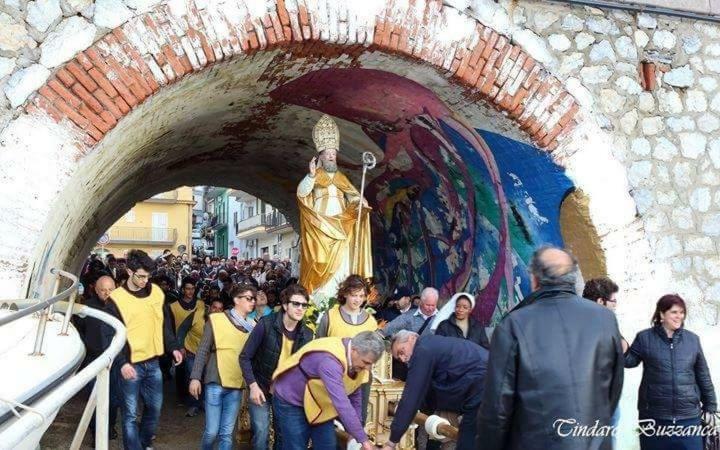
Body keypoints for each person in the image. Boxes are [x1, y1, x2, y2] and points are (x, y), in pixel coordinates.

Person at [476, 246, 624, 450]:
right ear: (572, 279)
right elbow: (613, 388)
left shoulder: (513, 324)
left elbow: (497, 408)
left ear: (534, 280)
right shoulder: (605, 318)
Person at [103, 249, 183, 450]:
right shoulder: (116, 300)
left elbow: (164, 323)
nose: (145, 280)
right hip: (130, 365)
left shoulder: (156, 292)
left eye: (148, 276)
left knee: (154, 409)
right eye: (141, 276)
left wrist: (173, 348)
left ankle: (144, 443)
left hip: (153, 363)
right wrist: (121, 363)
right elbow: (110, 335)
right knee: (130, 414)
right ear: (129, 272)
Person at [625, 294, 717, 450]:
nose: (679, 316)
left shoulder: (692, 340)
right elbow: (628, 361)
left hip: (689, 418)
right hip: (654, 418)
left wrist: (711, 406)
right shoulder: (644, 338)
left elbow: (703, 375)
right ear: (662, 314)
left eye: (682, 312)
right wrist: (619, 341)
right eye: (674, 312)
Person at [296, 114, 373, 298]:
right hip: (320, 225)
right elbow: (302, 193)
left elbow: (353, 195)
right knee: (319, 259)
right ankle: (320, 297)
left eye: (333, 154)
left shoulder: (341, 178)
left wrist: (359, 202)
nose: (331, 157)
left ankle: (340, 296)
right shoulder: (315, 176)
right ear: (320, 157)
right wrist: (311, 176)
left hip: (342, 224)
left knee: (343, 261)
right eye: (328, 154)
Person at [271, 331, 384, 450]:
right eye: (365, 362)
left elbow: (355, 397)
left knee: (327, 445)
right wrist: (364, 441)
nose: (367, 368)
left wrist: (356, 435)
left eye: (371, 364)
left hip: (319, 403)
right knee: (296, 446)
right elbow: (342, 404)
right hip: (292, 399)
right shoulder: (330, 361)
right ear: (354, 350)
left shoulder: (357, 362)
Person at [381, 331, 488, 450]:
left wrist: (392, 442)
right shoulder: (431, 345)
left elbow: (411, 397)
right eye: (398, 358)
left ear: (412, 338)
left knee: (467, 441)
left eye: (401, 351)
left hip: (482, 386)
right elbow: (429, 394)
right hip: (486, 383)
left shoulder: (422, 350)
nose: (402, 358)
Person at [240, 284, 314, 450]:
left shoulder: (307, 334)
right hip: (261, 386)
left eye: (304, 305)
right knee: (261, 433)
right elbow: (244, 357)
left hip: (287, 394)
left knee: (283, 435)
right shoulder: (266, 325)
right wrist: (253, 386)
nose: (300, 308)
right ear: (285, 305)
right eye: (296, 304)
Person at [189, 284, 256, 450]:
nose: (252, 302)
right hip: (214, 380)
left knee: (226, 434)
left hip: (236, 383)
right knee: (212, 432)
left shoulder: (254, 326)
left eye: (253, 298)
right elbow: (203, 349)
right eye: (248, 298)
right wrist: (195, 377)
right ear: (236, 300)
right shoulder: (217, 319)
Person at [316, 275, 378, 424]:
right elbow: (318, 346)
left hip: (361, 379)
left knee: (357, 421)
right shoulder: (330, 317)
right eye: (354, 295)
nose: (357, 300)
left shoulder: (370, 321)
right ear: (344, 294)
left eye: (361, 296)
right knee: (334, 422)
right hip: (335, 378)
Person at [78, 275, 121, 441]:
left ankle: (109, 426)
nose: (107, 293)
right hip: (93, 360)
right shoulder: (86, 308)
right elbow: (79, 330)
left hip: (115, 361)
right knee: (94, 398)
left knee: (114, 398)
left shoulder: (121, 307)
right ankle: (96, 430)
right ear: (95, 290)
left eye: (110, 290)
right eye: (103, 290)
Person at [169, 276, 206, 417]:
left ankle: (198, 402)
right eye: (187, 289)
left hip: (199, 346)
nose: (190, 291)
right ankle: (185, 398)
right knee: (183, 373)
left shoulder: (201, 304)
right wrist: (175, 345)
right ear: (183, 289)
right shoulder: (173, 306)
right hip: (181, 344)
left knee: (197, 375)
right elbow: (173, 327)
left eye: (192, 289)